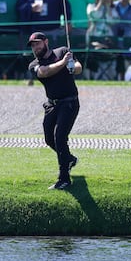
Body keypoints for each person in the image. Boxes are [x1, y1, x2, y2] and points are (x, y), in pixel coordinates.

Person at [27, 31, 83, 190]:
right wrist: (64, 63)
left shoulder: (63, 51)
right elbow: (45, 72)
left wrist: (72, 66)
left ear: (46, 42)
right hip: (52, 104)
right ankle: (69, 159)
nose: (35, 47)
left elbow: (78, 67)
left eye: (37, 43)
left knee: (59, 137)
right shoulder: (33, 64)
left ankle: (64, 178)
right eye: (33, 45)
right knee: (49, 139)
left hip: (69, 102)